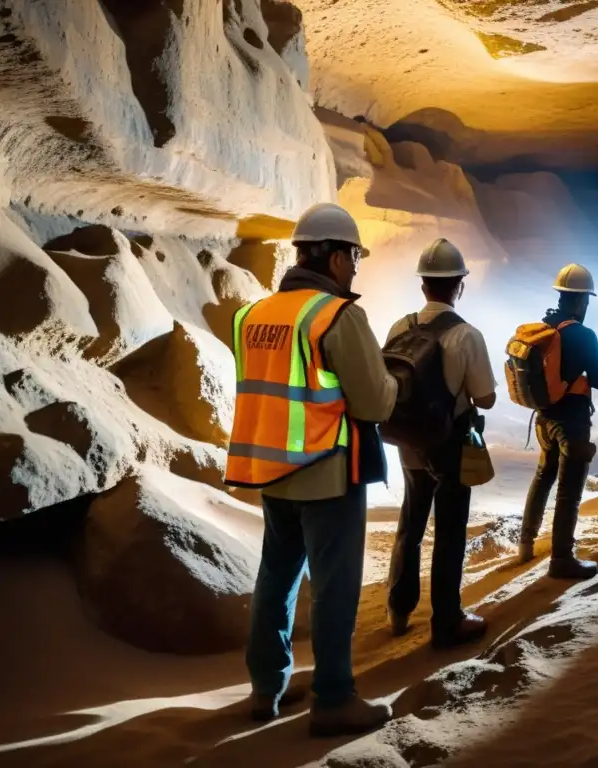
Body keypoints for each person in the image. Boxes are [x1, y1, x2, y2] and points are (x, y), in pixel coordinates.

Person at [224, 202, 398, 737]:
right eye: (355, 257)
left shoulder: (252, 315)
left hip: (271, 470)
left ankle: (264, 689)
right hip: (327, 470)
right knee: (335, 588)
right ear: (340, 257)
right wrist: (394, 381)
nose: (355, 268)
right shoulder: (337, 315)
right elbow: (374, 404)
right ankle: (334, 698)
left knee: (276, 580)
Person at [385, 239, 497, 648]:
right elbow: (485, 397)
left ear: (423, 285)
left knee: (410, 525)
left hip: (408, 440)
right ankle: (446, 620)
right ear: (459, 286)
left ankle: (398, 610)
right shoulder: (466, 335)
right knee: (449, 531)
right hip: (449, 444)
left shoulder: (400, 327)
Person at [518, 264, 598, 580]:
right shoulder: (584, 335)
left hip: (543, 418)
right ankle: (561, 558)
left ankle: (526, 543)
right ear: (583, 300)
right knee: (569, 489)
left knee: (544, 475)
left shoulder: (543, 327)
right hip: (571, 421)